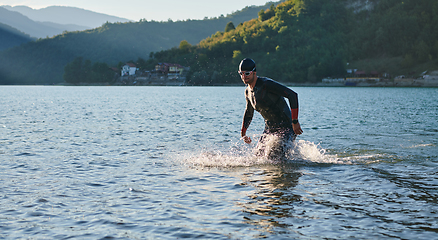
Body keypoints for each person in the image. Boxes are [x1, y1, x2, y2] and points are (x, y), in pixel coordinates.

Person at [238, 58, 303, 157]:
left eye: (247, 73)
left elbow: (292, 95)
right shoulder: (248, 92)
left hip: (287, 126)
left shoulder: (266, 84)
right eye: (241, 74)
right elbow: (249, 112)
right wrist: (243, 133)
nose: (243, 77)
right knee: (258, 156)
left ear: (254, 72)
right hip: (270, 128)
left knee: (274, 156)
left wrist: (295, 121)